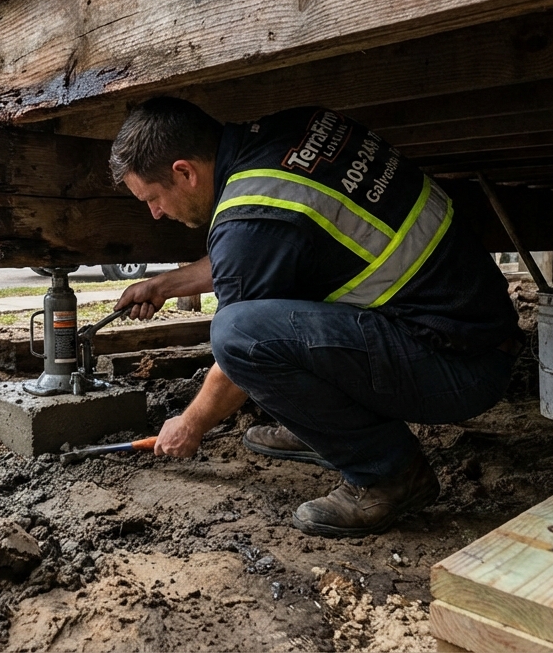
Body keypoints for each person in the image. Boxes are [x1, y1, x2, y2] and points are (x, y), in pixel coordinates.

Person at [109, 97, 522, 537]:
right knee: (267, 316)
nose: (155, 213)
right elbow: (265, 247)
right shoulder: (287, 133)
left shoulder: (248, 225)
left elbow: (238, 346)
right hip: (476, 329)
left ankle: (386, 474)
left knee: (235, 335)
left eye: (152, 198)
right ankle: (329, 430)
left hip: (461, 368)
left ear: (184, 171)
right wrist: (162, 286)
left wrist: (188, 426)